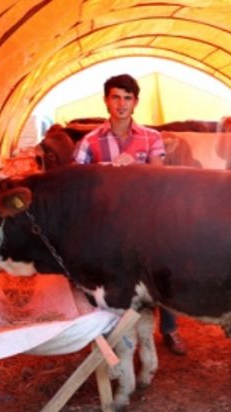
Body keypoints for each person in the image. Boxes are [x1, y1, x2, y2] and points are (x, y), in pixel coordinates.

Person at [72, 73, 186, 355]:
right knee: (111, 277)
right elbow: (76, 183)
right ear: (106, 101)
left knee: (160, 271)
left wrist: (133, 168)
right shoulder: (90, 142)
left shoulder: (151, 137)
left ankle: (170, 329)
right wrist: (109, 168)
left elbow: (159, 177)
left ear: (135, 103)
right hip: (106, 223)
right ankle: (109, 333)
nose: (121, 104)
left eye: (127, 98)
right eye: (115, 97)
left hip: (145, 221)